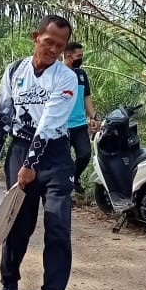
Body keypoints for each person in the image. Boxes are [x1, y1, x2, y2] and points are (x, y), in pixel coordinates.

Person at [0, 15, 78, 290]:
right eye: (48, 42)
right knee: (18, 225)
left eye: (59, 46)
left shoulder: (66, 78)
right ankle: (9, 283)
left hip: (55, 156)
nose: (52, 49)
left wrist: (31, 166)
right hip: (20, 150)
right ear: (36, 37)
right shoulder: (14, 72)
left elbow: (50, 123)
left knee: (58, 226)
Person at [63, 42, 99, 195]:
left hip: (79, 125)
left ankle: (74, 179)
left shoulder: (81, 74)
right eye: (79, 56)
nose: (81, 59)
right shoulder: (57, 73)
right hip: (62, 126)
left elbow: (86, 97)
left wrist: (93, 117)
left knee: (84, 155)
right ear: (69, 56)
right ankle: (65, 192)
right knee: (64, 161)